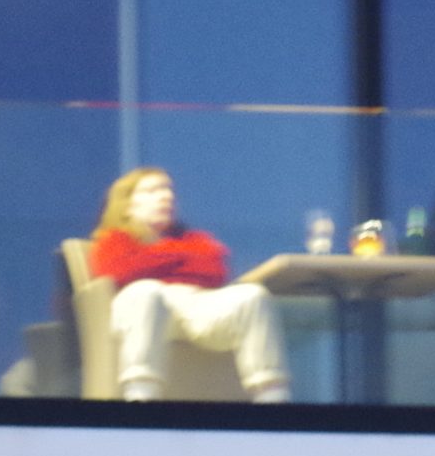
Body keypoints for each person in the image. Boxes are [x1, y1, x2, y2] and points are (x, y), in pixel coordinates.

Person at [87, 167, 291, 403]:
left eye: (167, 190)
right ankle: (141, 396)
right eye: (152, 190)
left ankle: (272, 398)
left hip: (196, 305)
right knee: (145, 291)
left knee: (252, 296)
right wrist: (183, 257)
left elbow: (215, 267)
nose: (166, 196)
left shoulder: (193, 238)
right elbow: (122, 271)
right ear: (128, 205)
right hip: (146, 310)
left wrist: (156, 257)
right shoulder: (114, 239)